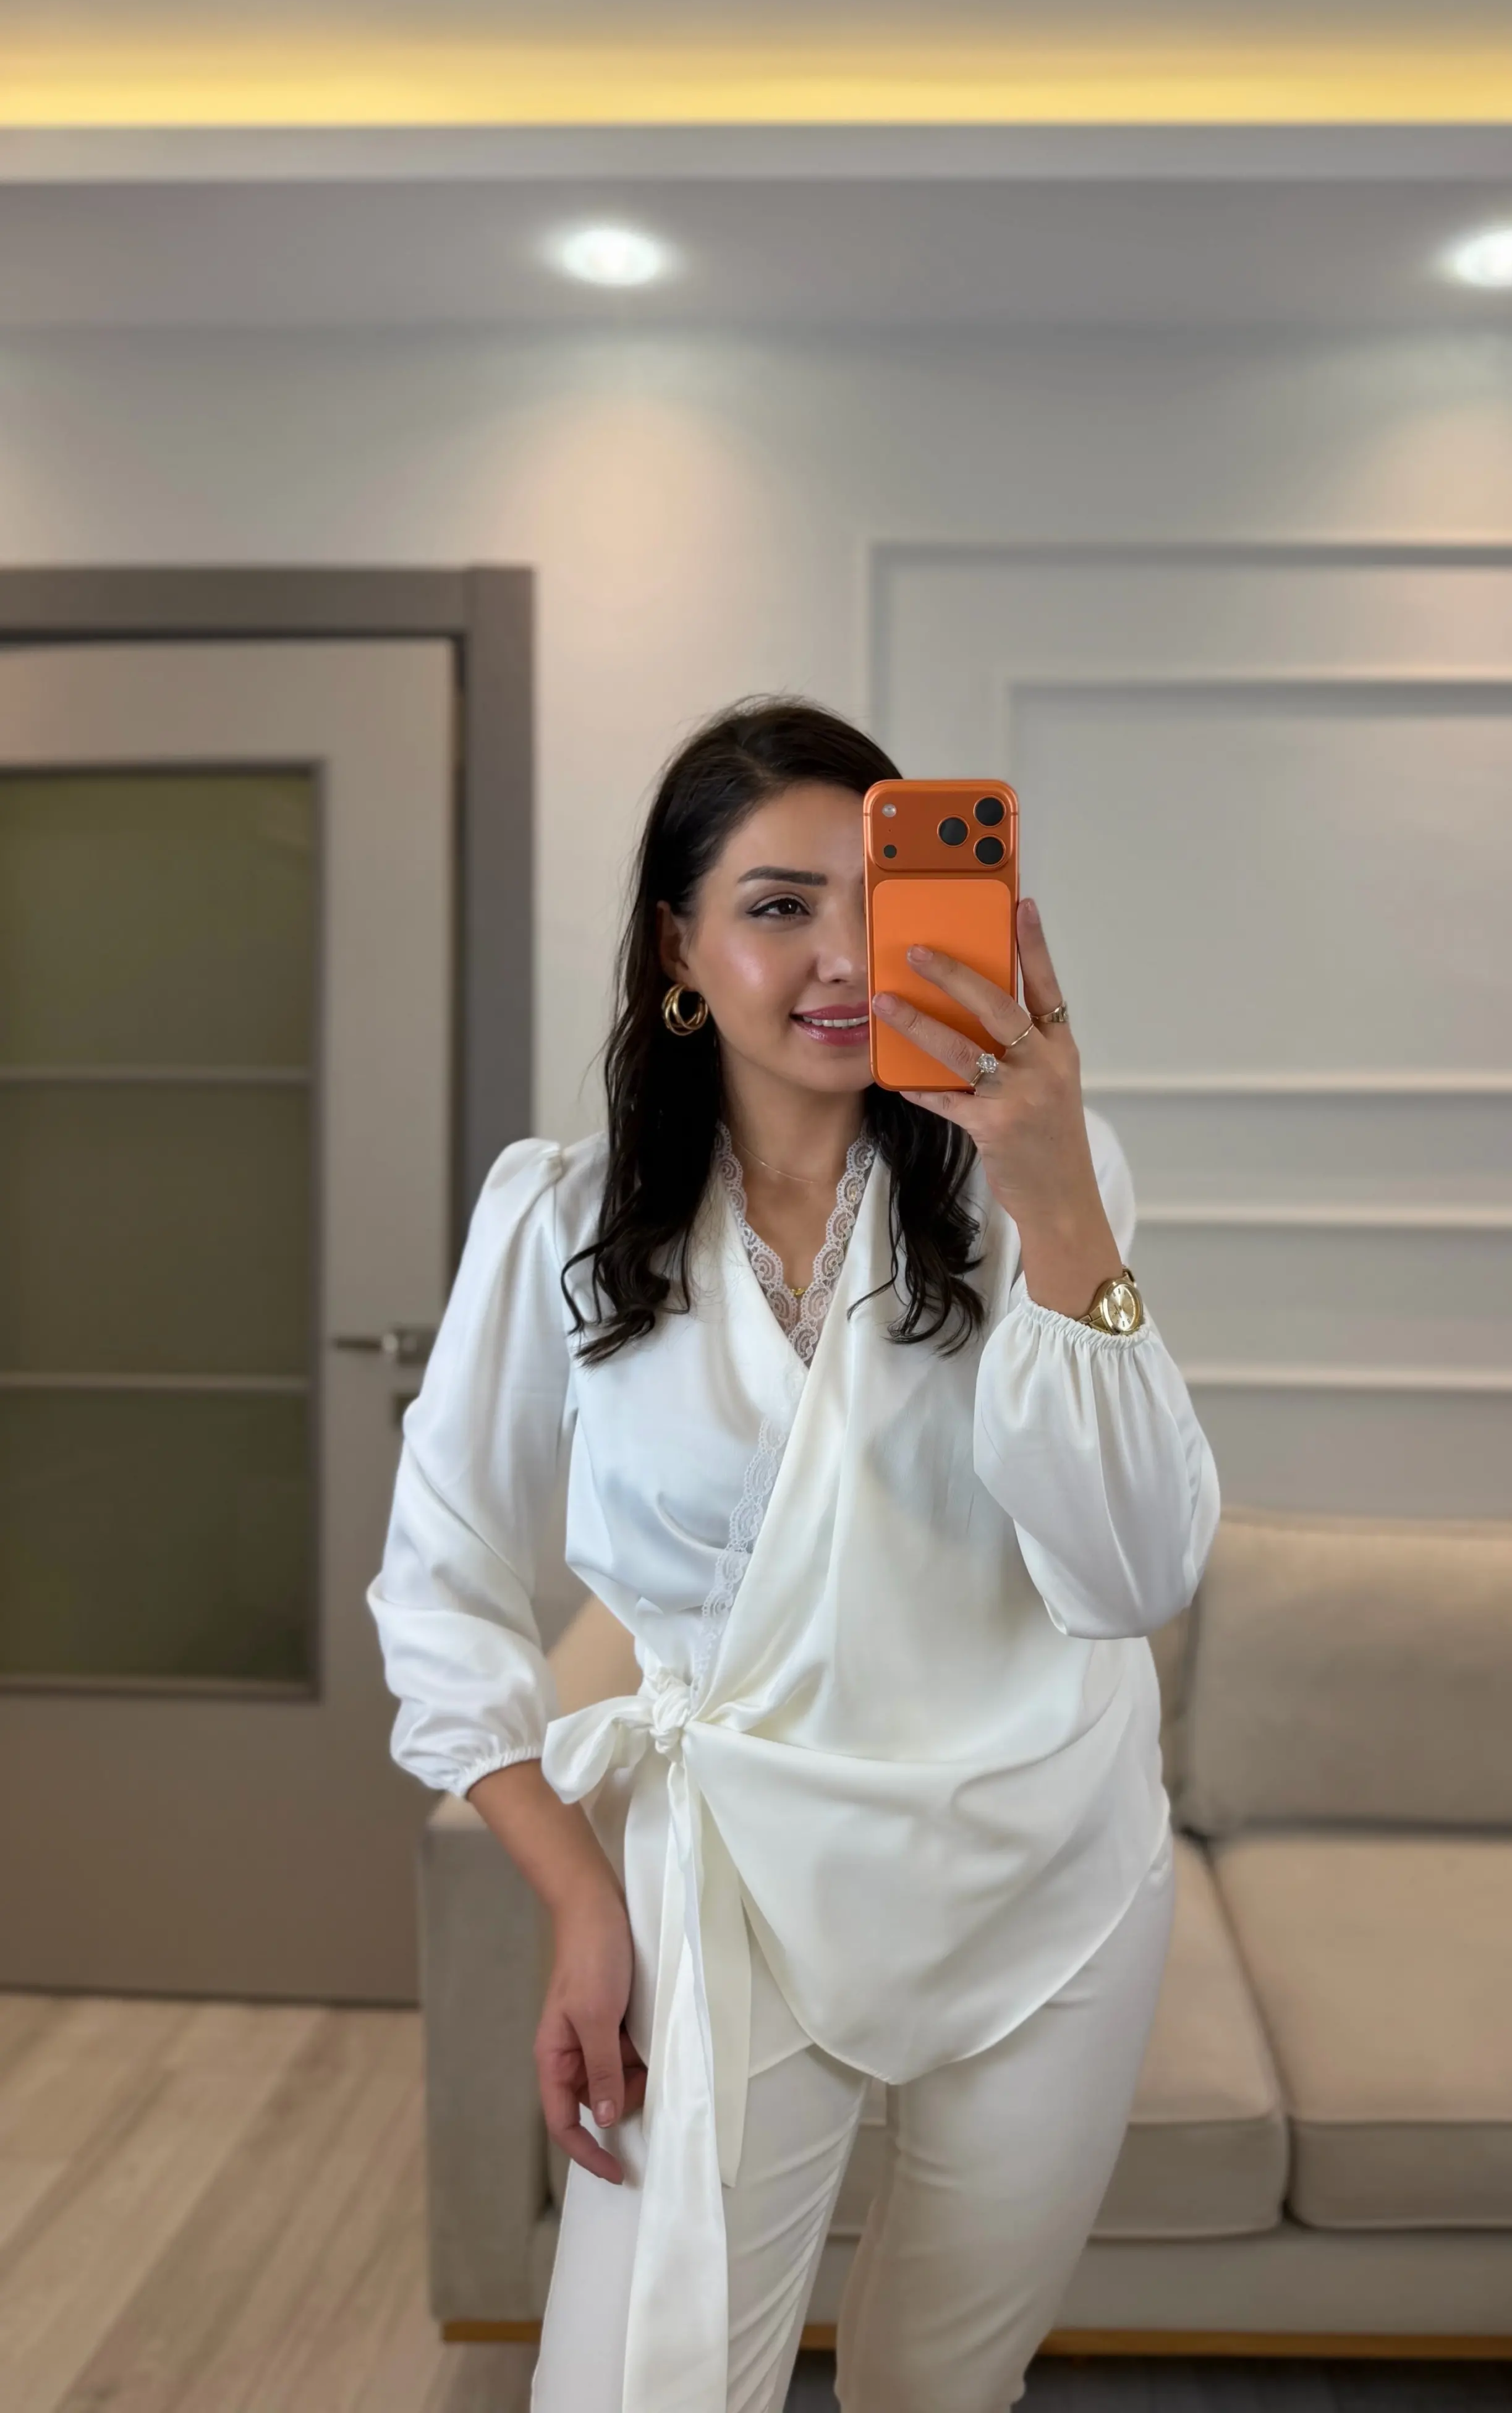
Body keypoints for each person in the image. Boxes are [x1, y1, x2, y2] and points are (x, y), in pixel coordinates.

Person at [365, 696, 1221, 2413]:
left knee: (939, 2384)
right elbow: (440, 1587)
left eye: (880, 902)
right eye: (778, 906)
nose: (842, 957)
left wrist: (1055, 1189)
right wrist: (581, 1896)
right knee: (639, 2387)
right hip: (732, 1880)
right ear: (678, 952)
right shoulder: (558, 1221)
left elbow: (1133, 1580)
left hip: (1047, 1865)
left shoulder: (1041, 1188)